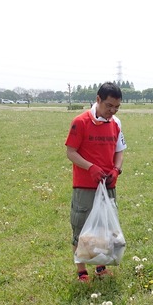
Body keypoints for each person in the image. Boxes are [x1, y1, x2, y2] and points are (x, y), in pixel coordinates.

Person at [65, 82, 126, 283]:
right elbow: (71, 152)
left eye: (116, 107)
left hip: (108, 185)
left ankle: (100, 266)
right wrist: (90, 167)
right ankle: (82, 272)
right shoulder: (80, 122)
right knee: (81, 229)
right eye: (109, 105)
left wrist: (116, 169)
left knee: (104, 228)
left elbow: (119, 150)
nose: (112, 110)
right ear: (98, 99)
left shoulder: (116, 123)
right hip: (84, 186)